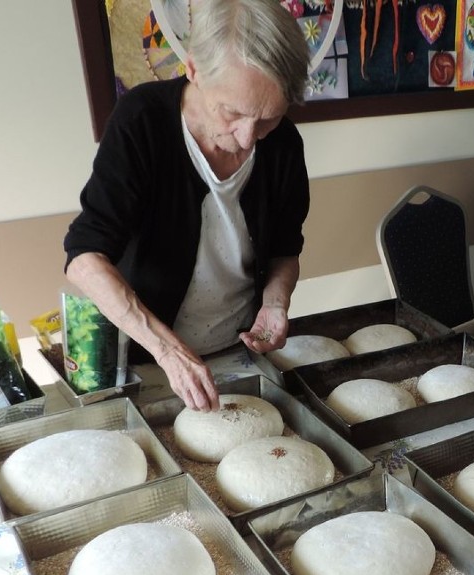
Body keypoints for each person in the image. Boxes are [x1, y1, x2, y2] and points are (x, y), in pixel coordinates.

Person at [64, 0, 311, 411]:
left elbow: (286, 250)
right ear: (193, 70)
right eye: (232, 112)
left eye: (267, 119)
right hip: (146, 356)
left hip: (235, 350)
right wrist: (168, 351)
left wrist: (274, 303)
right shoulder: (142, 121)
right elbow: (84, 257)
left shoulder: (283, 143)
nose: (249, 138)